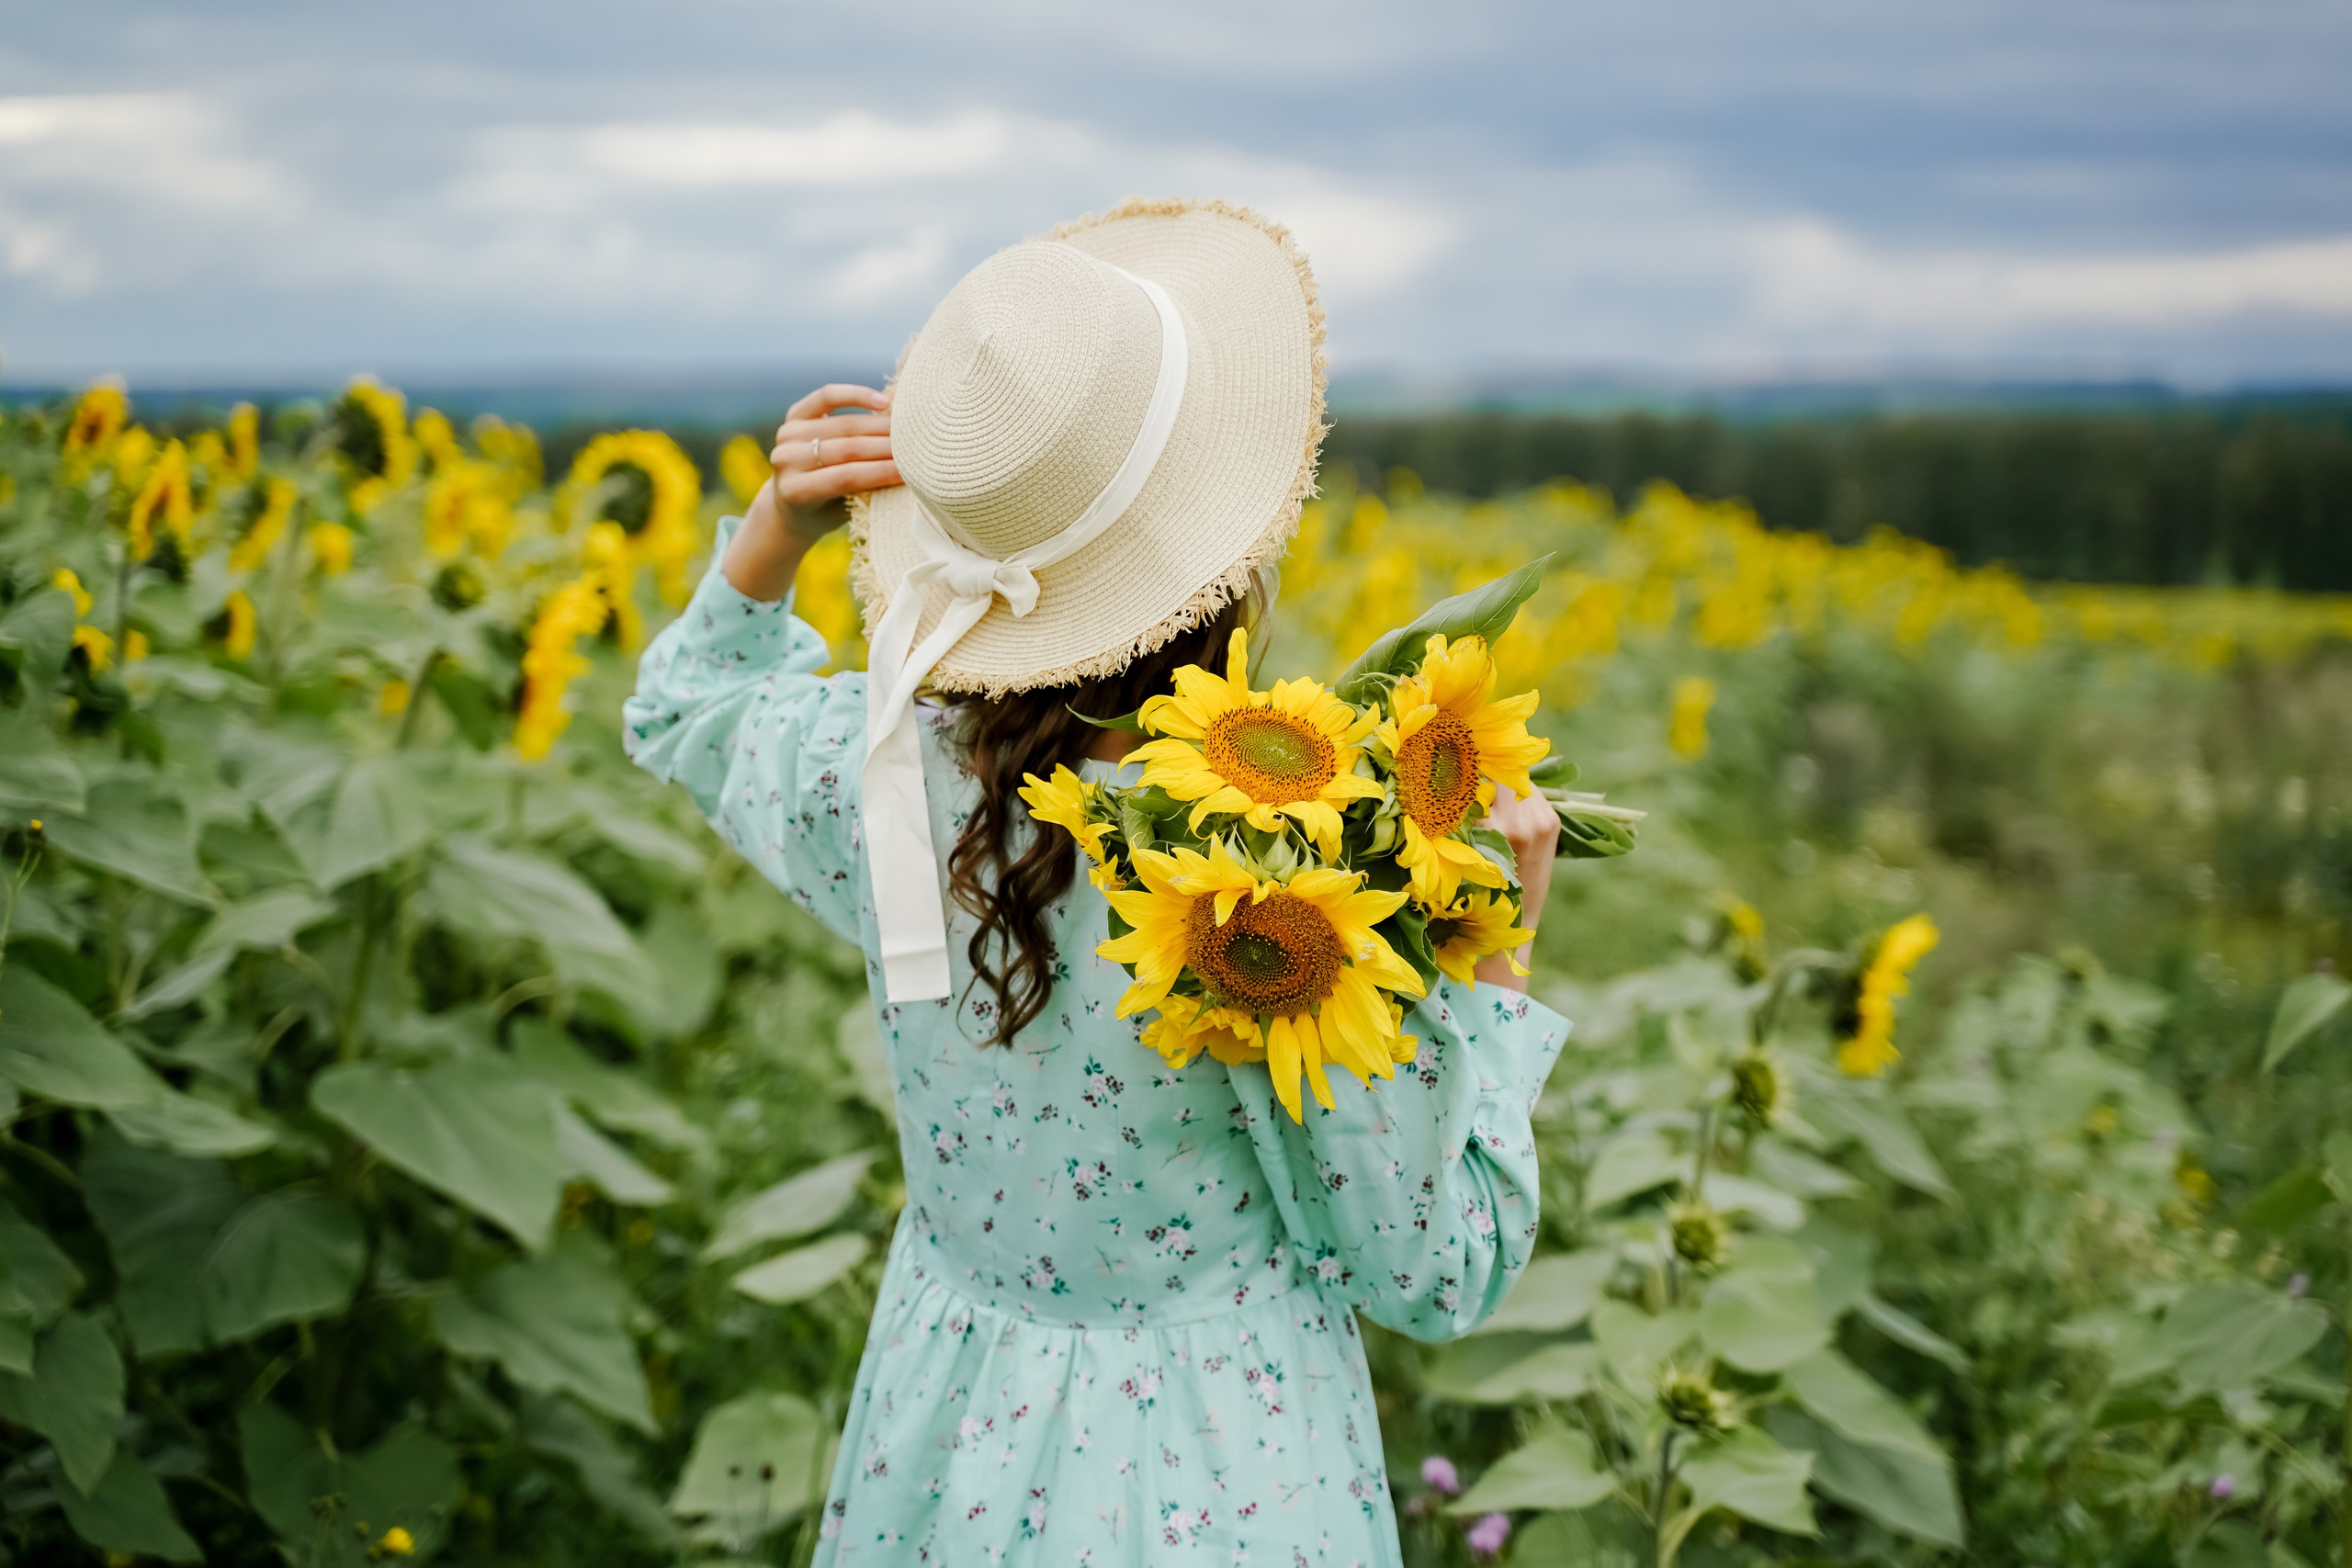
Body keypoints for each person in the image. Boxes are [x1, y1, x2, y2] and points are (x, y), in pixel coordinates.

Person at [626, 198, 1566, 1567]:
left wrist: (777, 521)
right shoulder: (1271, 891)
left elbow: (690, 705)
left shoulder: (886, 774)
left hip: (944, 1436)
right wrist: (1496, 954)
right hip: (1217, 1469)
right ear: (1225, 558)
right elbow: (1436, 1265)